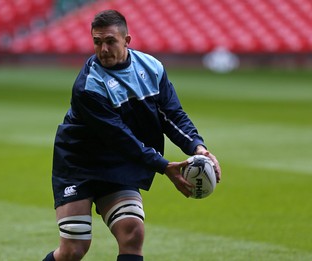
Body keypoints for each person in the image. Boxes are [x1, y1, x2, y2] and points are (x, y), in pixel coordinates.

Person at [42, 9, 221, 261]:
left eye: (110, 41)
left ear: (127, 41)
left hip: (118, 163)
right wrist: (164, 166)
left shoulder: (152, 69)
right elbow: (120, 137)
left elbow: (171, 115)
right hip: (79, 163)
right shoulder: (88, 86)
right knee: (74, 250)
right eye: (97, 42)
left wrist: (198, 148)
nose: (103, 49)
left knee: (132, 233)